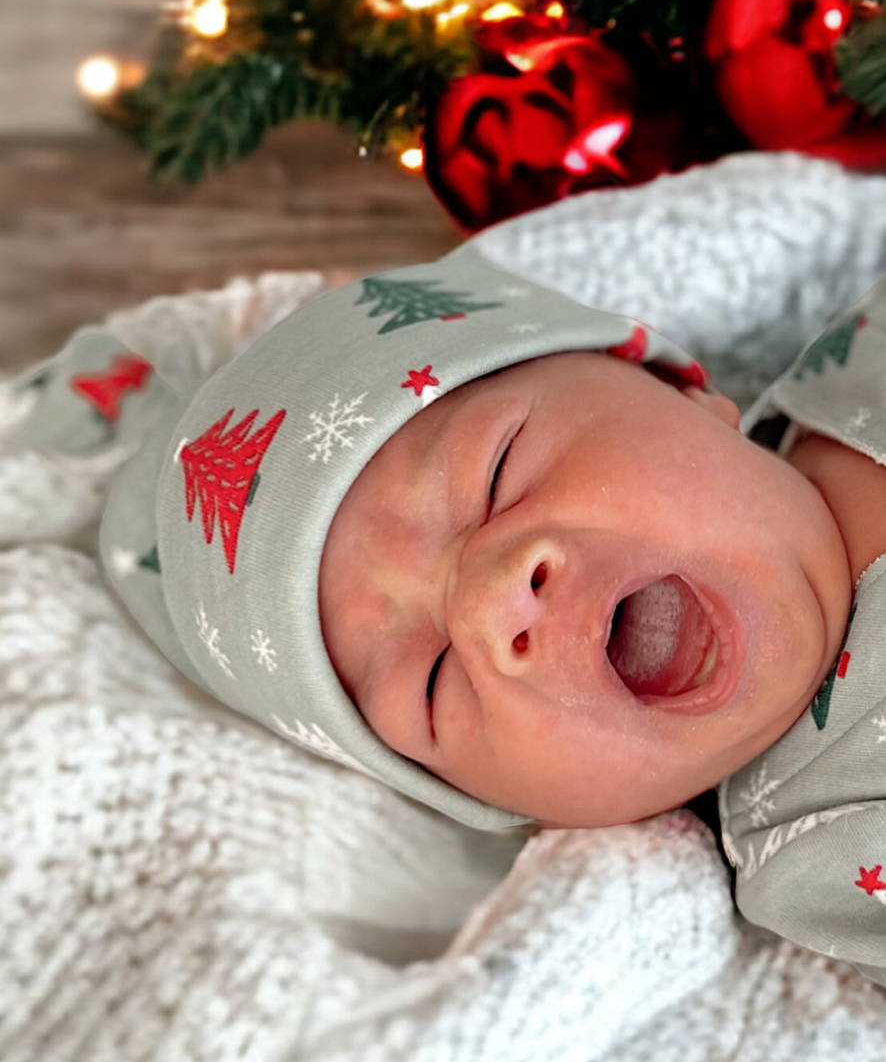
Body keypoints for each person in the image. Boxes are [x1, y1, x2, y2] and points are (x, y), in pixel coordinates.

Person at [3, 255, 886, 983]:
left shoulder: (861, 352)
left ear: (675, 388)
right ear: (522, 812)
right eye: (429, 683)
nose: (491, 604)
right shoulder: (817, 858)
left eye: (497, 470)